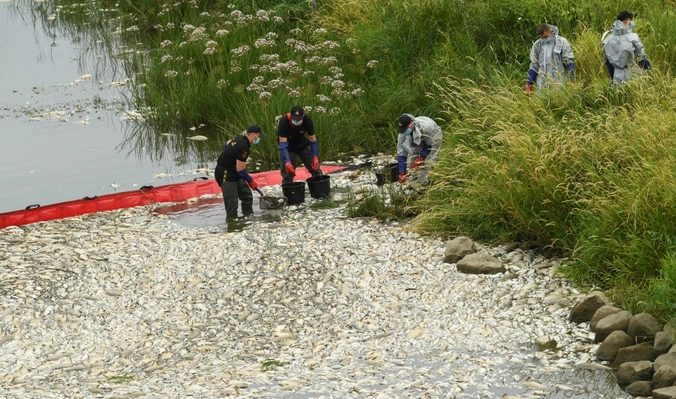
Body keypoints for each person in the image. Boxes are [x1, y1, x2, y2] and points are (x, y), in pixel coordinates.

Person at [214, 125, 264, 218]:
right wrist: (250, 180)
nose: (258, 138)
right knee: (232, 204)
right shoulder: (243, 147)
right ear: (253, 135)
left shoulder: (238, 139)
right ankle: (232, 225)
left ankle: (248, 218)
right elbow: (240, 170)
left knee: (247, 196)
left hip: (234, 172)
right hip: (226, 175)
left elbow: (226, 145)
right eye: (258, 136)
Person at [603, 11, 651, 85]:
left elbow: (607, 62)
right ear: (625, 21)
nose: (632, 22)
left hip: (616, 76)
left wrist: (613, 77)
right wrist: (649, 73)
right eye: (631, 20)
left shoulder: (608, 39)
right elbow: (642, 58)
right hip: (632, 75)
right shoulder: (633, 37)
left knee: (619, 95)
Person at [277, 105, 321, 185]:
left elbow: (313, 140)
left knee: (314, 167)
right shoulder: (284, 121)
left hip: (302, 144)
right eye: (294, 119)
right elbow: (283, 144)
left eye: (299, 119)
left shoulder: (307, 120)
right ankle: (288, 192)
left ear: (303, 116)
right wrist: (287, 162)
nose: (297, 121)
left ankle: (320, 189)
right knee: (288, 173)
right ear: (291, 116)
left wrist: (315, 156)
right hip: (288, 148)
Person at [526, 24, 575, 95]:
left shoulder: (561, 42)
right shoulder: (537, 45)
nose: (544, 39)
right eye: (541, 37)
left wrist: (572, 79)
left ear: (551, 32)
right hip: (542, 83)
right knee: (543, 103)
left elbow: (568, 61)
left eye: (545, 37)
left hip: (559, 81)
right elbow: (534, 65)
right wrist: (529, 83)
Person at [396, 113, 442, 185]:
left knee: (427, 163)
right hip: (417, 140)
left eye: (405, 129)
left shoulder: (427, 127)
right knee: (411, 165)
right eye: (402, 130)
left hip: (433, 137)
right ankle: (414, 185)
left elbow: (429, 144)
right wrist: (402, 173)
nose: (404, 131)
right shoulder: (402, 134)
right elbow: (402, 153)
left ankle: (426, 185)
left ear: (411, 124)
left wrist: (421, 158)